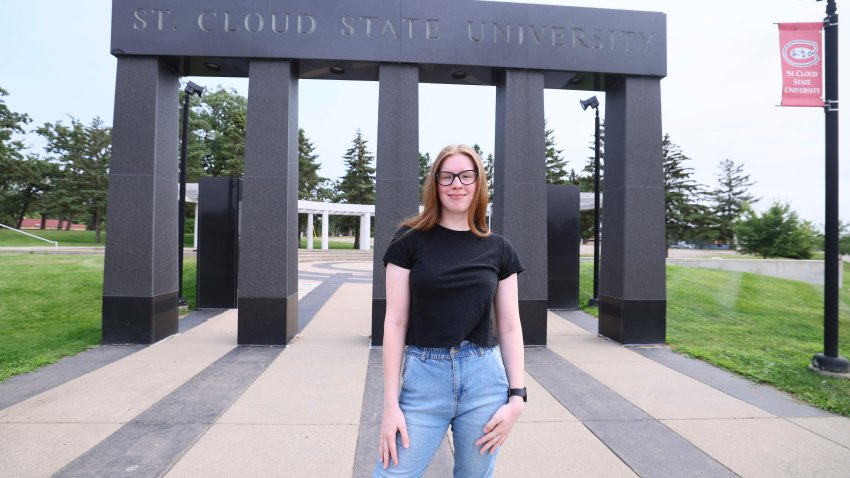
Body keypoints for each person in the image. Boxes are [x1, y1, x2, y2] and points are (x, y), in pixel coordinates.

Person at [374, 144, 526, 477]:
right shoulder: (408, 240)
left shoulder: (500, 249)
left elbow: (510, 326)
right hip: (424, 381)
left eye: (466, 176)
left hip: (484, 382)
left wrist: (517, 398)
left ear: (478, 183)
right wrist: (390, 406)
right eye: (447, 176)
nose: (457, 184)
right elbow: (395, 323)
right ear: (436, 184)